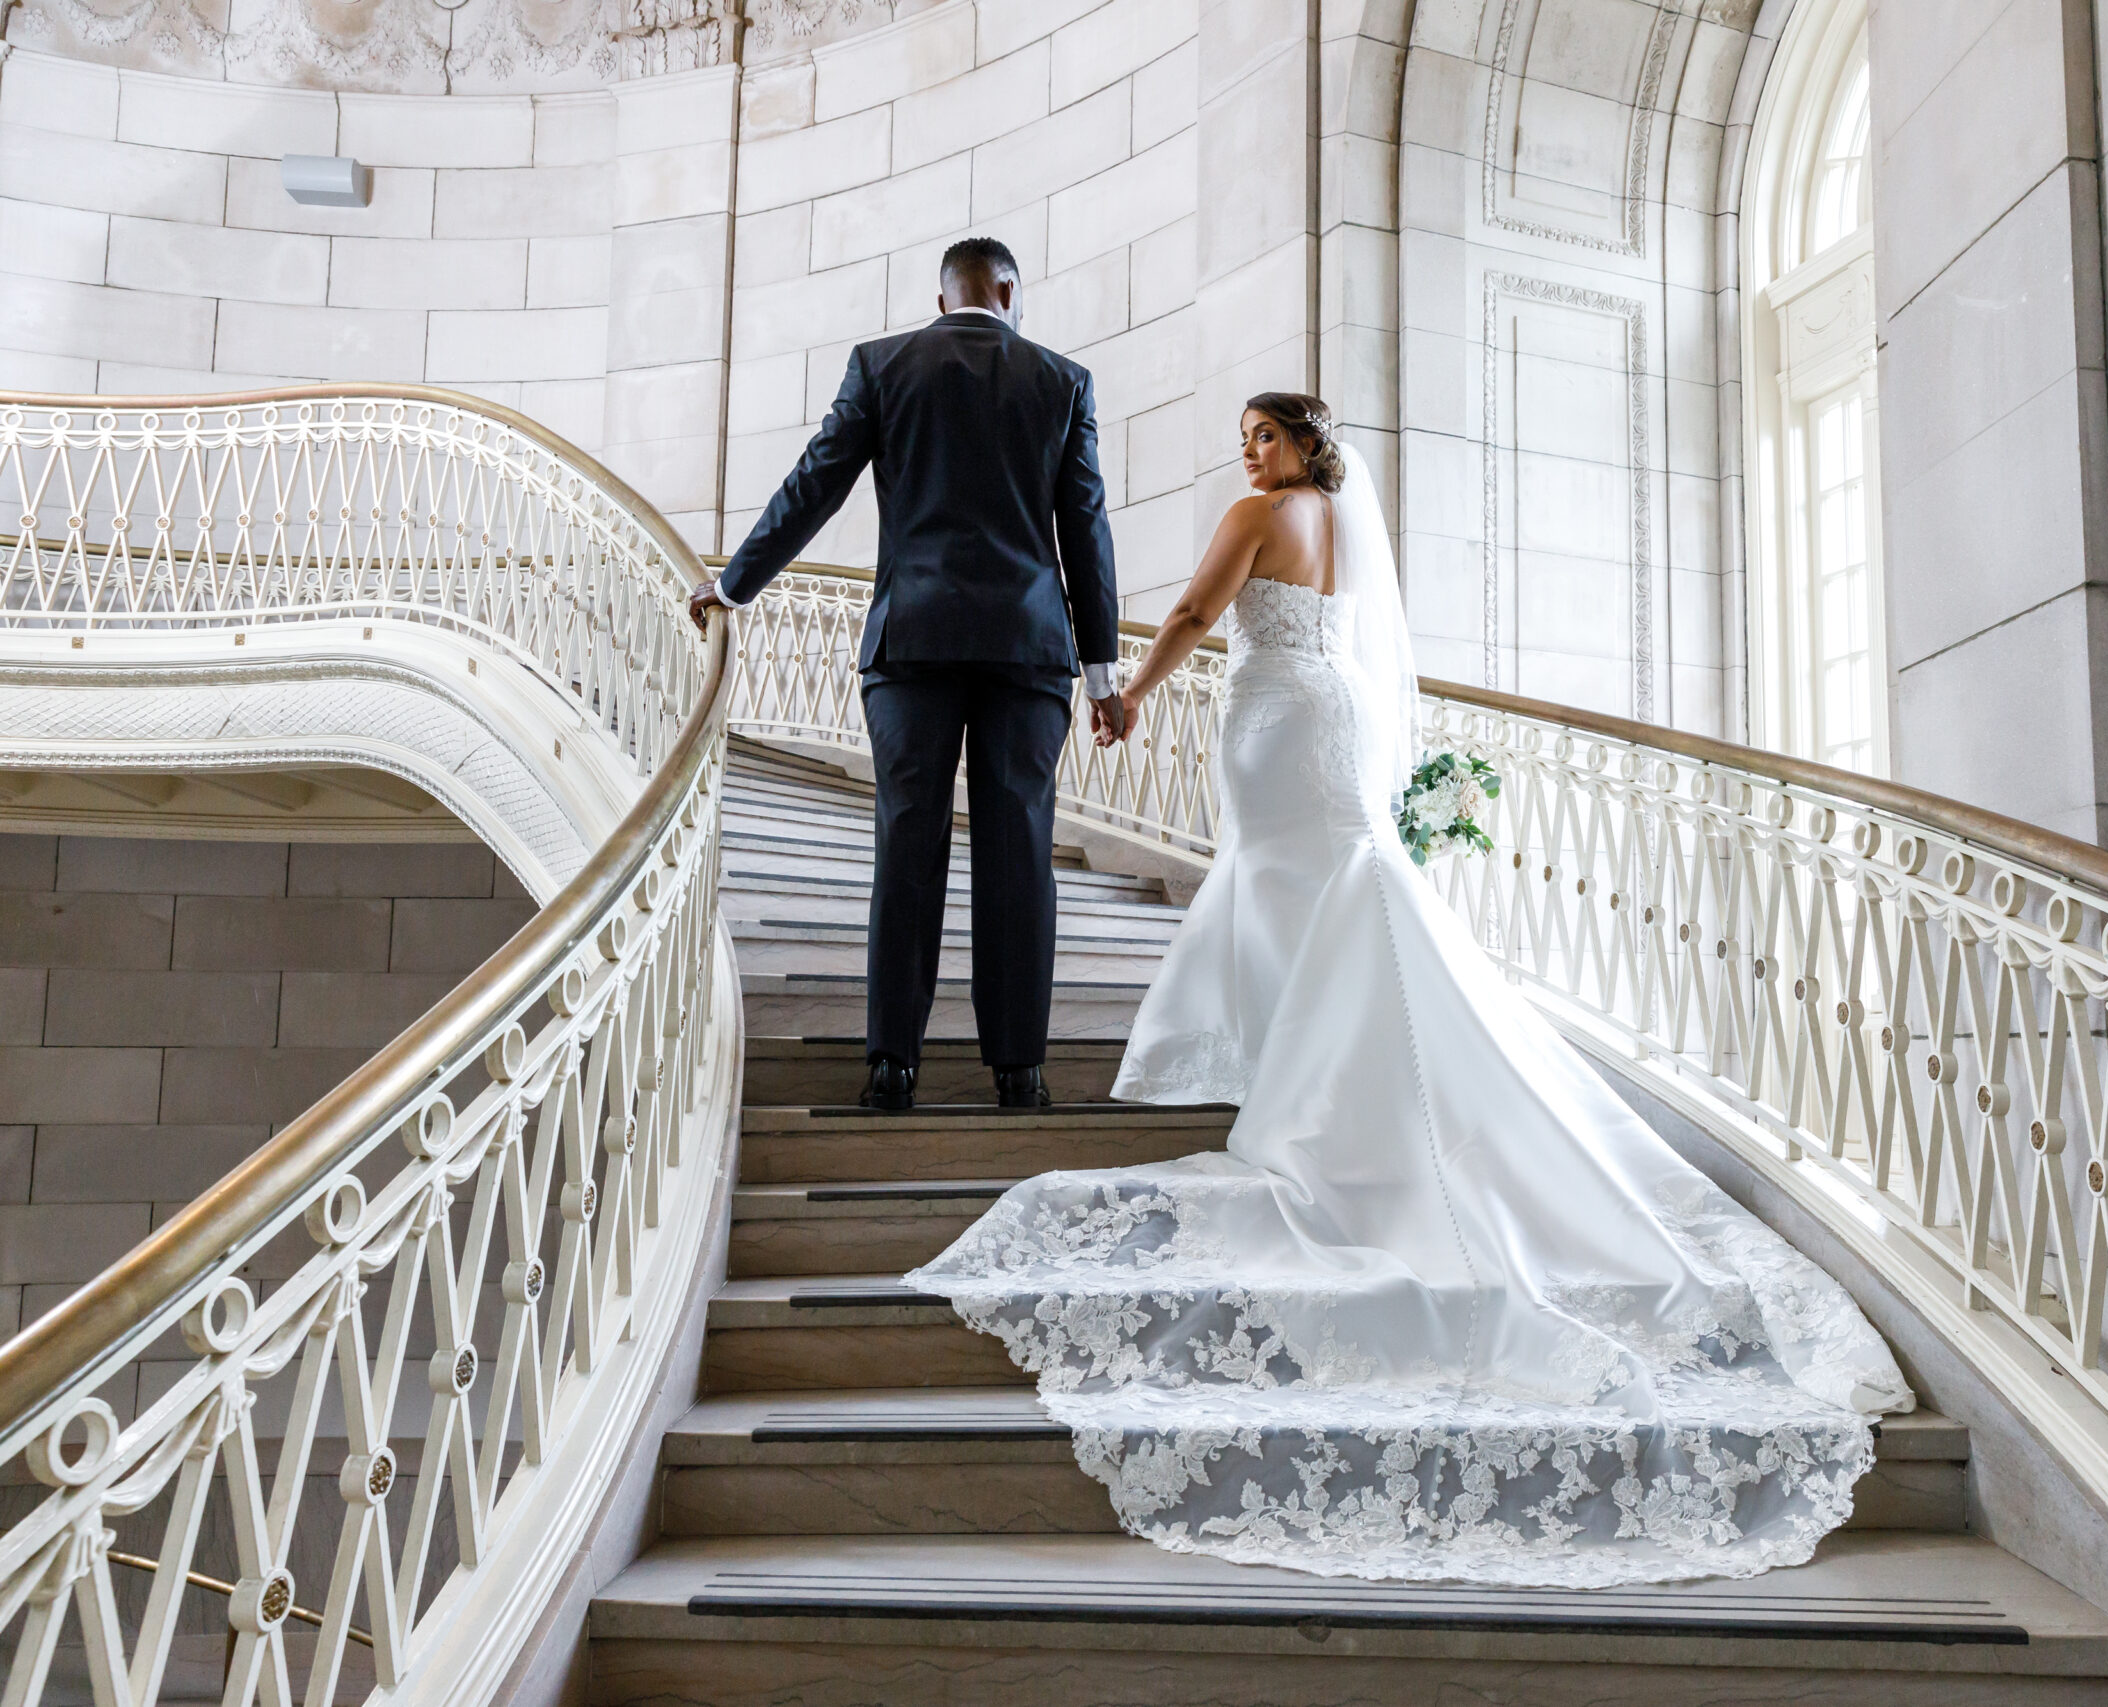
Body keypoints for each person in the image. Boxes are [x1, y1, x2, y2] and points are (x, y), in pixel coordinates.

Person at [912, 393, 1916, 1588]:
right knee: (1338, 886)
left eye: (1265, 433)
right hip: (1325, 713)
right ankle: (1334, 1067)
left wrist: (1130, 689)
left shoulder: (1259, 515)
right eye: (1243, 436)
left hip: (1279, 720)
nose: (1249, 450)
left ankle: (1323, 1088)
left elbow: (1193, 606)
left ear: (1300, 444)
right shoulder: (1344, 521)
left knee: (1298, 887)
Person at [690, 237, 1126, 1111]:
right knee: (1018, 854)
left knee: (907, 847)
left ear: (942, 299)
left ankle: (893, 1064)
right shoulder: (1061, 380)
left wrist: (735, 583)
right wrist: (1105, 671)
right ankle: (1019, 1069)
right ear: (1008, 291)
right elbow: (1086, 529)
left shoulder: (883, 365)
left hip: (911, 644)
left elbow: (815, 484)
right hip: (1027, 650)